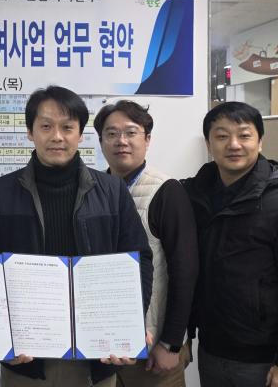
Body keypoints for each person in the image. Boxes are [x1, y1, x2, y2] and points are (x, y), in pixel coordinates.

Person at [0, 86, 153, 387]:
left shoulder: (112, 191)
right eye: (46, 126)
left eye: (67, 127)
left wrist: (130, 326)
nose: (57, 136)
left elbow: (139, 261)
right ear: (30, 132)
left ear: (80, 134)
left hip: (95, 359)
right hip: (26, 361)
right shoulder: (1, 193)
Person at [182, 101, 278, 387]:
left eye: (244, 135)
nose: (234, 144)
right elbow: (186, 272)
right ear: (208, 144)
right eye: (222, 136)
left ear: (260, 141)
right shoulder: (195, 198)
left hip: (266, 361)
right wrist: (183, 334)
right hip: (211, 352)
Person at [93, 100, 198, 387]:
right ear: (101, 142)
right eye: (111, 134)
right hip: (103, 348)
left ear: (147, 139)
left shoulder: (167, 191)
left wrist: (171, 343)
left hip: (154, 349)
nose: (121, 141)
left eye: (131, 132)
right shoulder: (92, 190)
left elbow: (185, 271)